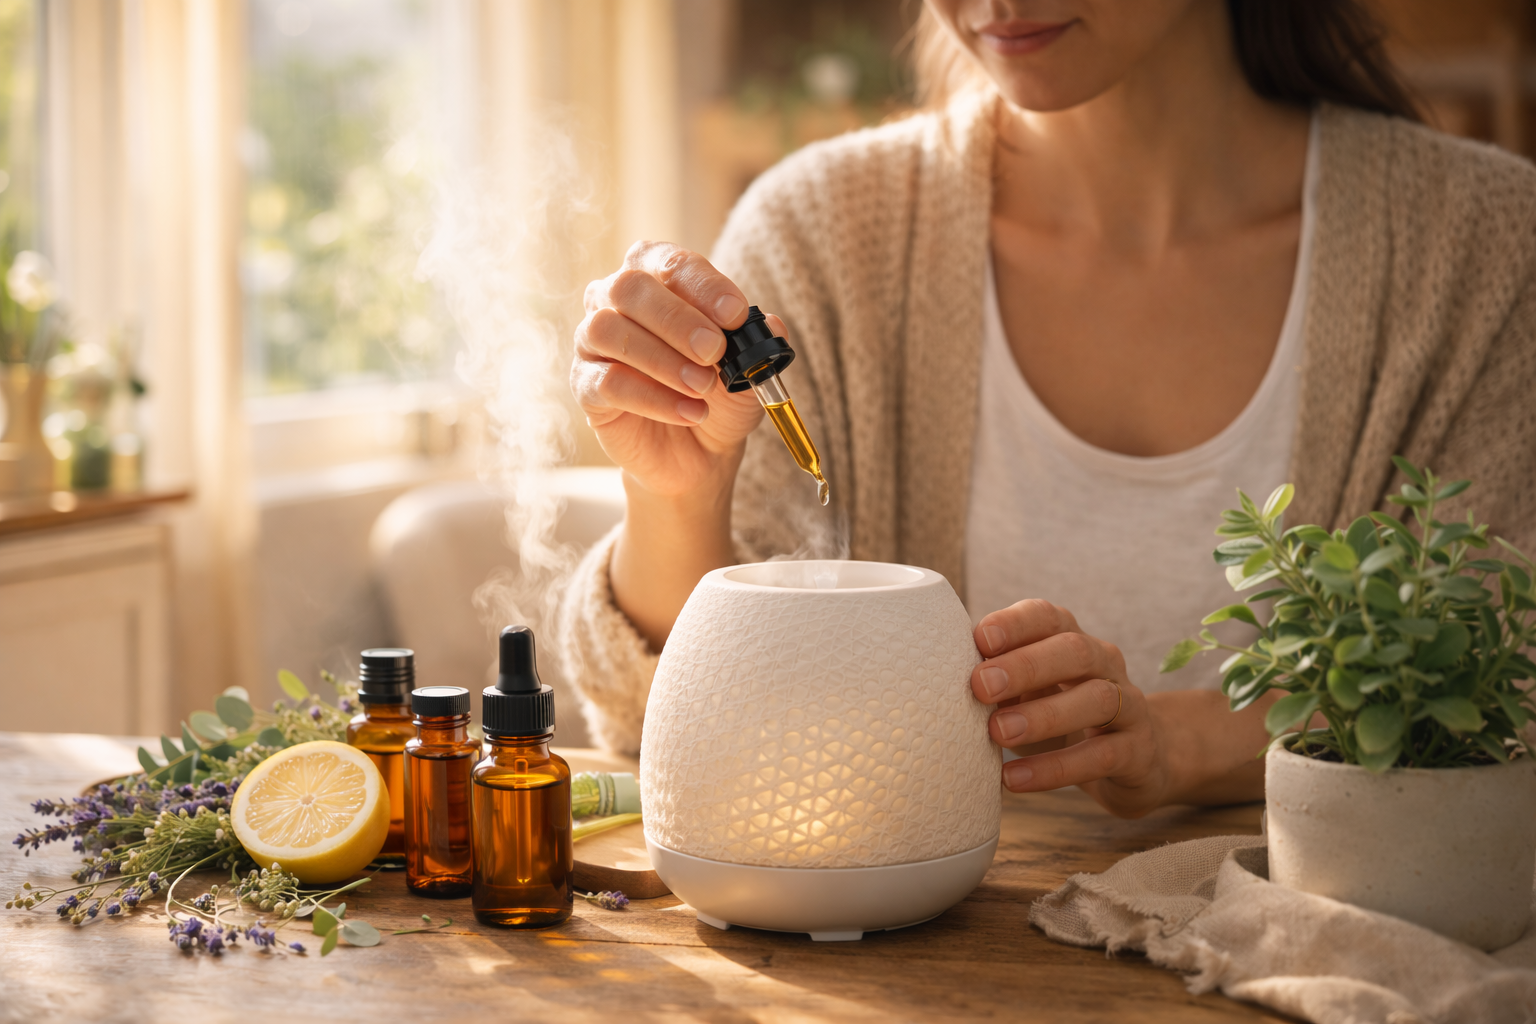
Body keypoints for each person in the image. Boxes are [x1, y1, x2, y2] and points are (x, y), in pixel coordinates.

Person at [558, 0, 1536, 817]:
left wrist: (1182, 742)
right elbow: (683, 729)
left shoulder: (1483, 251)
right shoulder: (824, 233)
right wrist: (676, 500)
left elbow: (1501, 698)